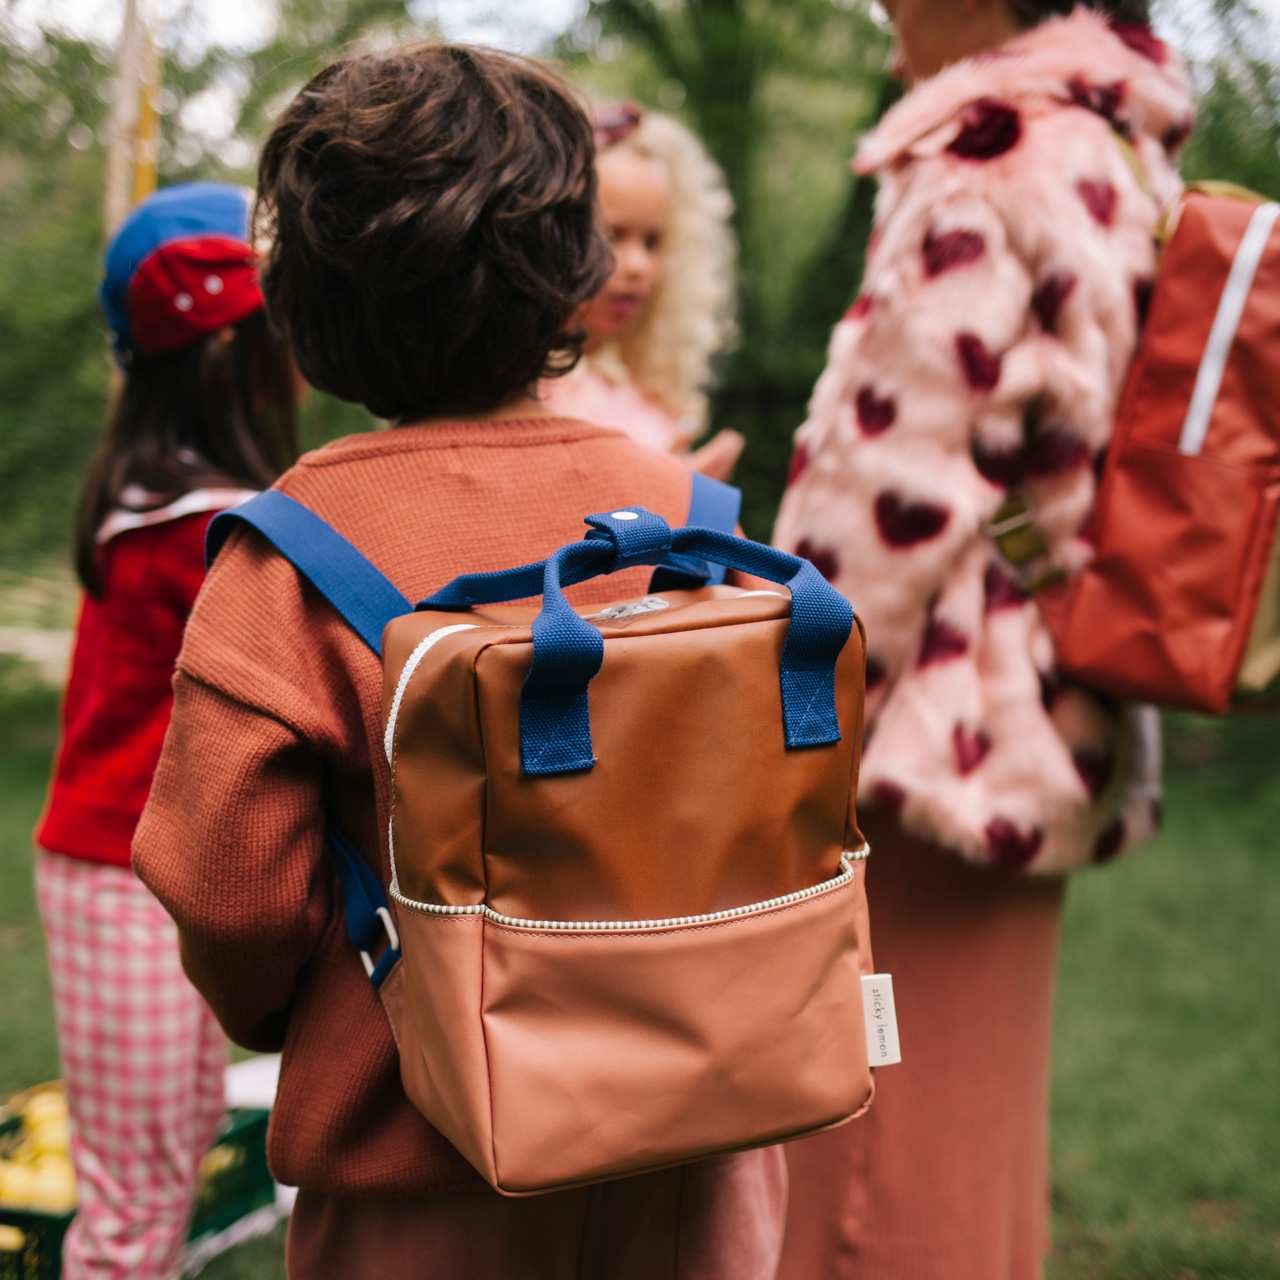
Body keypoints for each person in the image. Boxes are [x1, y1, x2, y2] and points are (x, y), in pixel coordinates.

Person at [131, 44, 786, 1279]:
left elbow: (231, 890)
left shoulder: (287, 556)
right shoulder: (695, 511)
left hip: (419, 1157)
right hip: (701, 1142)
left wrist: (308, 1013)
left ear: (309, 297)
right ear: (573, 273)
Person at [773, 3, 1191, 1277]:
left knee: (866, 1143)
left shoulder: (987, 152)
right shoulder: (1113, 152)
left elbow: (883, 486)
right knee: (969, 1117)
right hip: (1042, 710)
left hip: (921, 736)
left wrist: (780, 716)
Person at [34, 181, 299, 1279]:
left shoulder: (176, 504)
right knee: (134, 1201)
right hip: (118, 871)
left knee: (169, 1154)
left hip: (158, 868)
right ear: (229, 355)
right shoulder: (188, 529)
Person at [540, 101, 745, 480]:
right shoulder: (526, 397)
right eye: (612, 235)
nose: (638, 266)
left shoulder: (645, 389)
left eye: (653, 242)